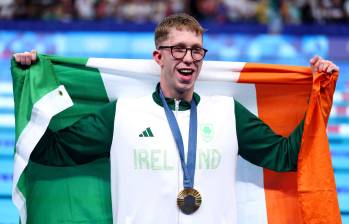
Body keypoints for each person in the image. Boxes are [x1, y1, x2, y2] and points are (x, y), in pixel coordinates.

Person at [14, 13, 339, 224]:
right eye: (178, 49)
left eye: (196, 50)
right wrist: (33, 82)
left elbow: (286, 157)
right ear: (159, 56)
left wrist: (321, 96)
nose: (188, 58)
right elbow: (51, 151)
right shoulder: (123, 113)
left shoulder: (228, 112)